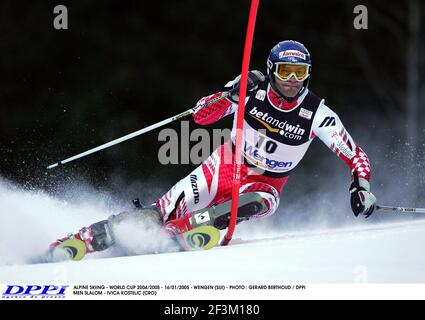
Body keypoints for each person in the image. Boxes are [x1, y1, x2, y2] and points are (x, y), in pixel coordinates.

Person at [49, 40, 377, 260]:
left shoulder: (317, 112)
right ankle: (88, 238)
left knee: (255, 204)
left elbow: (353, 153)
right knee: (160, 209)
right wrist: (231, 92)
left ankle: (185, 231)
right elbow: (202, 116)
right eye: (285, 72)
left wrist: (360, 186)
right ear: (272, 70)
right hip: (225, 165)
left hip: (267, 184)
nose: (292, 80)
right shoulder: (252, 91)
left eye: (300, 72)